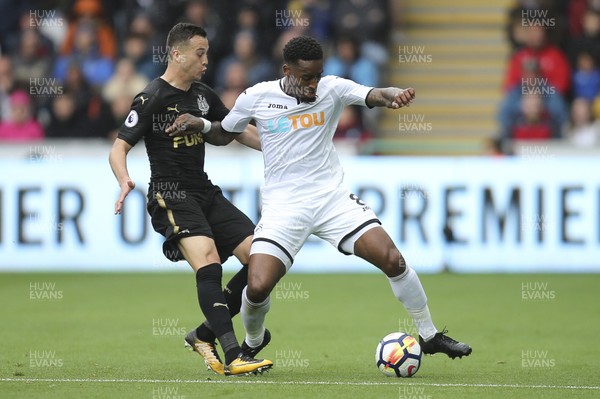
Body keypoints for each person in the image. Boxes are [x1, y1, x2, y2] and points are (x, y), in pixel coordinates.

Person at [219, 35, 473, 361]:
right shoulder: (256, 96)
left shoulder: (332, 87)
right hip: (283, 207)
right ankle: (253, 342)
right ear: (286, 70)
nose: (313, 85)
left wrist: (393, 95)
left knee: (391, 257)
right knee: (256, 286)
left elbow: (374, 93)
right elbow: (227, 130)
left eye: (318, 75)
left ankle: (429, 335)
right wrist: (201, 124)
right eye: (306, 78)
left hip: (331, 199)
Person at [108, 22, 271, 376]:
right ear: (177, 53)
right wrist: (124, 181)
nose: (207, 60)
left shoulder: (203, 96)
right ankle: (233, 354)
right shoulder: (151, 97)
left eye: (208, 53)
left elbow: (235, 131)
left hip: (204, 191)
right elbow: (118, 149)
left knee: (261, 260)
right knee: (209, 262)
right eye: (200, 53)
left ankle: (203, 334)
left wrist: (280, 146)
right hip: (170, 193)